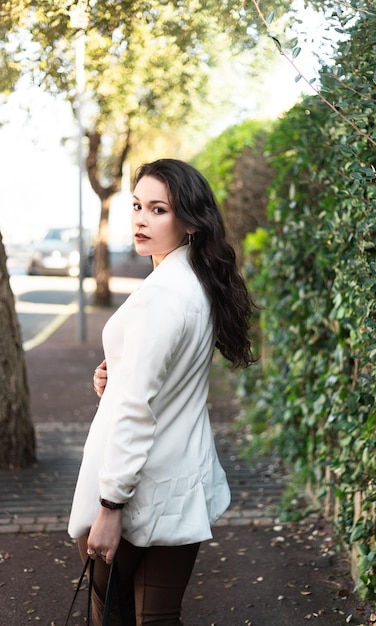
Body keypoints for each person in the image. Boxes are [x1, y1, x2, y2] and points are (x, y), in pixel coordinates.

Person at [68, 158, 255, 625]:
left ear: (190, 221)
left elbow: (136, 407)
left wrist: (110, 505)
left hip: (135, 486)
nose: (140, 219)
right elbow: (165, 379)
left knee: (110, 612)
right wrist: (112, 379)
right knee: (157, 617)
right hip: (180, 481)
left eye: (158, 209)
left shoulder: (164, 296)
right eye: (137, 206)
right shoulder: (196, 283)